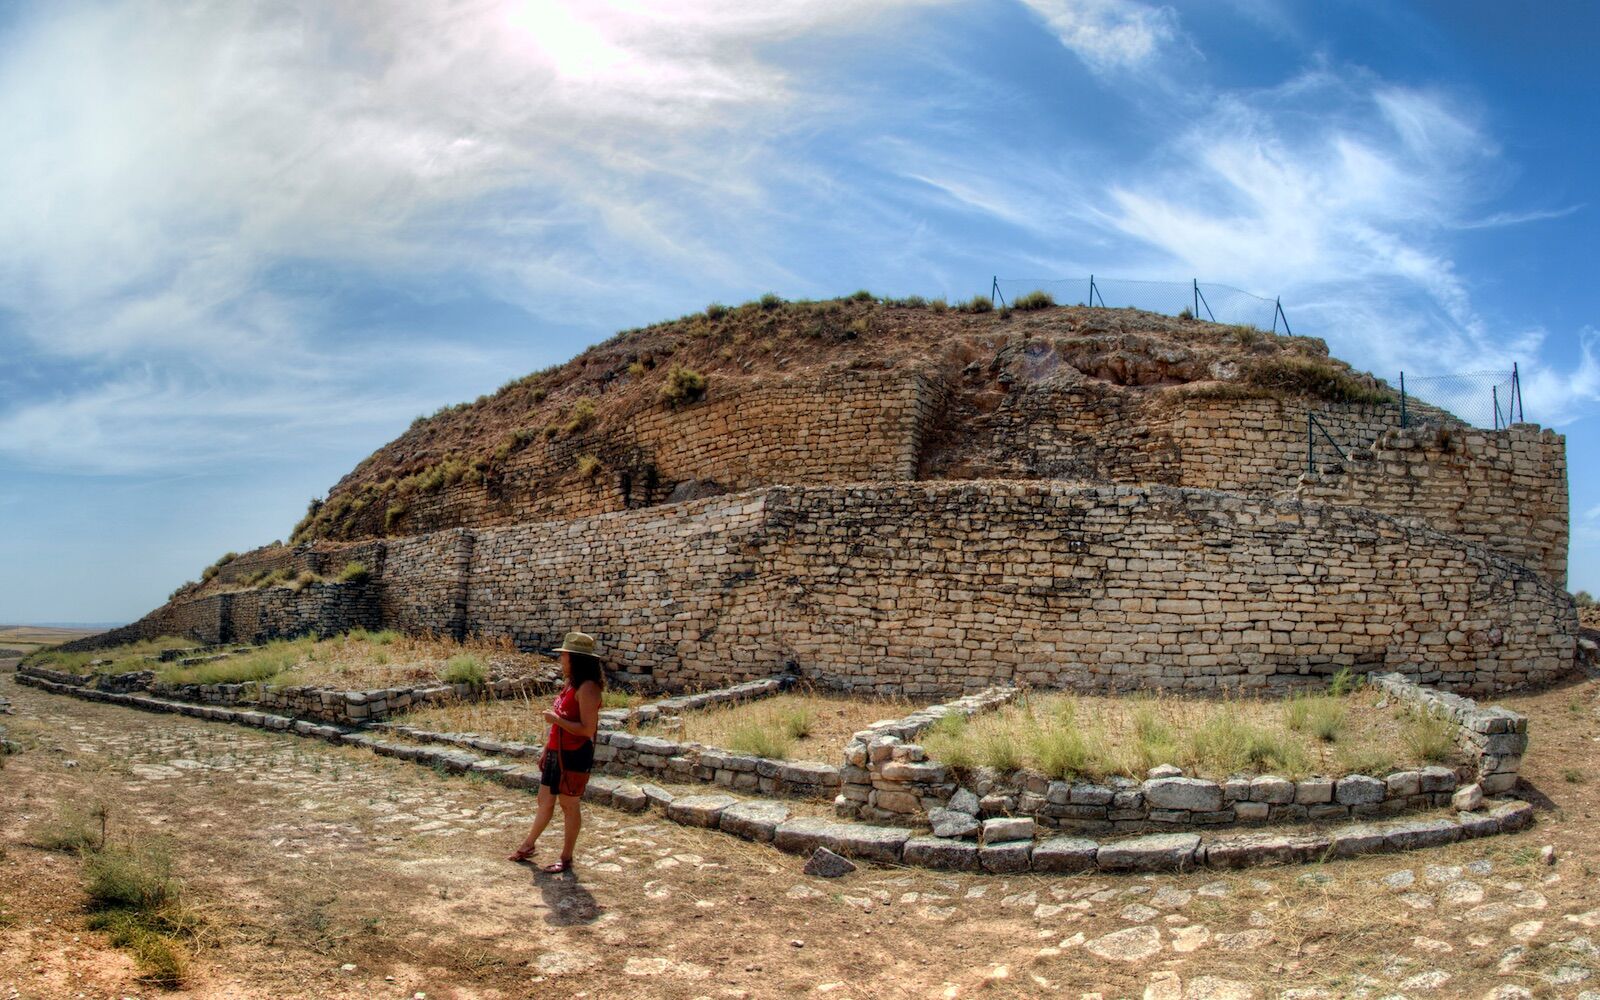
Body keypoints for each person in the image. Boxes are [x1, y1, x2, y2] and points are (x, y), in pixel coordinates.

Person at [508, 630, 603, 873]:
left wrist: (556, 721)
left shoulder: (588, 688)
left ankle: (566, 856)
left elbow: (586, 729)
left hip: (574, 754)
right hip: (556, 751)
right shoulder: (571, 684)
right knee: (544, 801)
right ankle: (528, 845)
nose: (561, 660)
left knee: (569, 806)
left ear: (575, 658)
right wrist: (547, 749)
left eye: (564, 655)